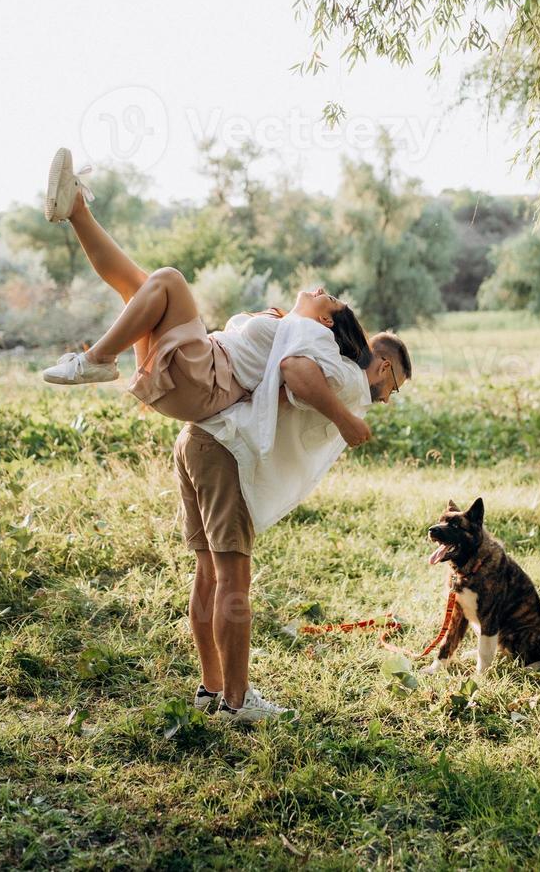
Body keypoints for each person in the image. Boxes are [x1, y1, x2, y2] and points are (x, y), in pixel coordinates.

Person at [40, 147, 371, 446]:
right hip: (192, 379)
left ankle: (98, 361)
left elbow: (303, 378)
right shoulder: (289, 325)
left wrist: (345, 421)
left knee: (169, 279)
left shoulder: (313, 335)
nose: (319, 290)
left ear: (326, 320)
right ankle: (77, 208)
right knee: (138, 287)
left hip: (207, 382)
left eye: (328, 298)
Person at [175, 314, 412, 723]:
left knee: (208, 574)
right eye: (393, 388)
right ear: (384, 366)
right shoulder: (347, 373)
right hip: (225, 450)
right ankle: (236, 700)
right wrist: (344, 418)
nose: (387, 399)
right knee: (232, 577)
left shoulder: (319, 349)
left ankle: (212, 689)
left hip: (198, 437)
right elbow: (293, 369)